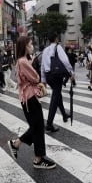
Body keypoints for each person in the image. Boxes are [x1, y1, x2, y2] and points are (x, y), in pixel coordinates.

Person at [7, 36, 56, 169]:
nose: (32, 46)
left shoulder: (22, 60)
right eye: (30, 44)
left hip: (28, 97)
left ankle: (17, 145)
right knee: (38, 127)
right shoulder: (23, 61)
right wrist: (36, 76)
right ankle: (38, 159)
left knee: (37, 126)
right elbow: (35, 77)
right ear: (25, 46)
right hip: (29, 98)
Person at [41, 32, 74, 132]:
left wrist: (43, 80)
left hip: (48, 76)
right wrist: (71, 72)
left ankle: (64, 115)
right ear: (56, 39)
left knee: (57, 94)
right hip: (56, 75)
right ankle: (49, 123)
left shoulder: (45, 50)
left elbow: (42, 65)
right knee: (55, 97)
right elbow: (65, 61)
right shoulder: (58, 47)